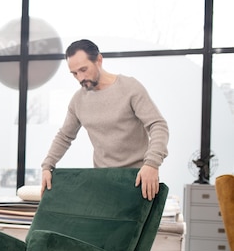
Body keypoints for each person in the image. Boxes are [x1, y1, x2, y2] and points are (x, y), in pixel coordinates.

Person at [40, 39, 169, 201]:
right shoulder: (78, 100)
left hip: (138, 179)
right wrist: (47, 165)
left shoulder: (130, 88)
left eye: (83, 69)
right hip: (102, 182)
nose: (80, 78)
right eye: (74, 73)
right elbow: (64, 136)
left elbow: (158, 125)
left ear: (99, 60)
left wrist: (152, 164)